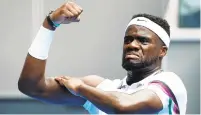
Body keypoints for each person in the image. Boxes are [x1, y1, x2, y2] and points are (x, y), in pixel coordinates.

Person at [18, 1, 187, 114]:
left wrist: (81, 89)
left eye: (143, 41)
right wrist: (49, 24)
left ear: (162, 51)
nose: (132, 45)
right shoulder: (102, 88)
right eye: (128, 40)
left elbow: (124, 106)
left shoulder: (169, 83)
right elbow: (32, 87)